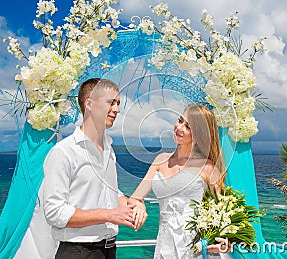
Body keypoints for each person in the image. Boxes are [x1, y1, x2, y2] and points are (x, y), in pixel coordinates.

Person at [42, 78, 136, 259]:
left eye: (118, 103)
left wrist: (131, 205)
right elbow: (54, 212)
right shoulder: (64, 152)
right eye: (111, 102)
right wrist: (109, 215)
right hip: (77, 253)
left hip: (109, 251)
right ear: (90, 104)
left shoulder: (108, 148)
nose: (117, 109)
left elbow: (109, 191)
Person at [129, 103, 232, 259]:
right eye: (180, 120)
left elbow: (224, 213)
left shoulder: (208, 168)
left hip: (195, 251)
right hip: (163, 246)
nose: (179, 127)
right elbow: (135, 198)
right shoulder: (160, 160)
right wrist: (139, 206)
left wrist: (226, 241)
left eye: (188, 127)